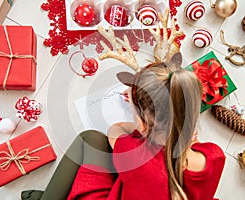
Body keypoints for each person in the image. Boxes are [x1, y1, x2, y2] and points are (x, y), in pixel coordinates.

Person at [22, 53, 226, 200]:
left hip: (131, 182)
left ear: (145, 123)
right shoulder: (215, 156)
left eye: (135, 112)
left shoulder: (136, 155)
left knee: (91, 137)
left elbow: (115, 129)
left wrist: (138, 127)